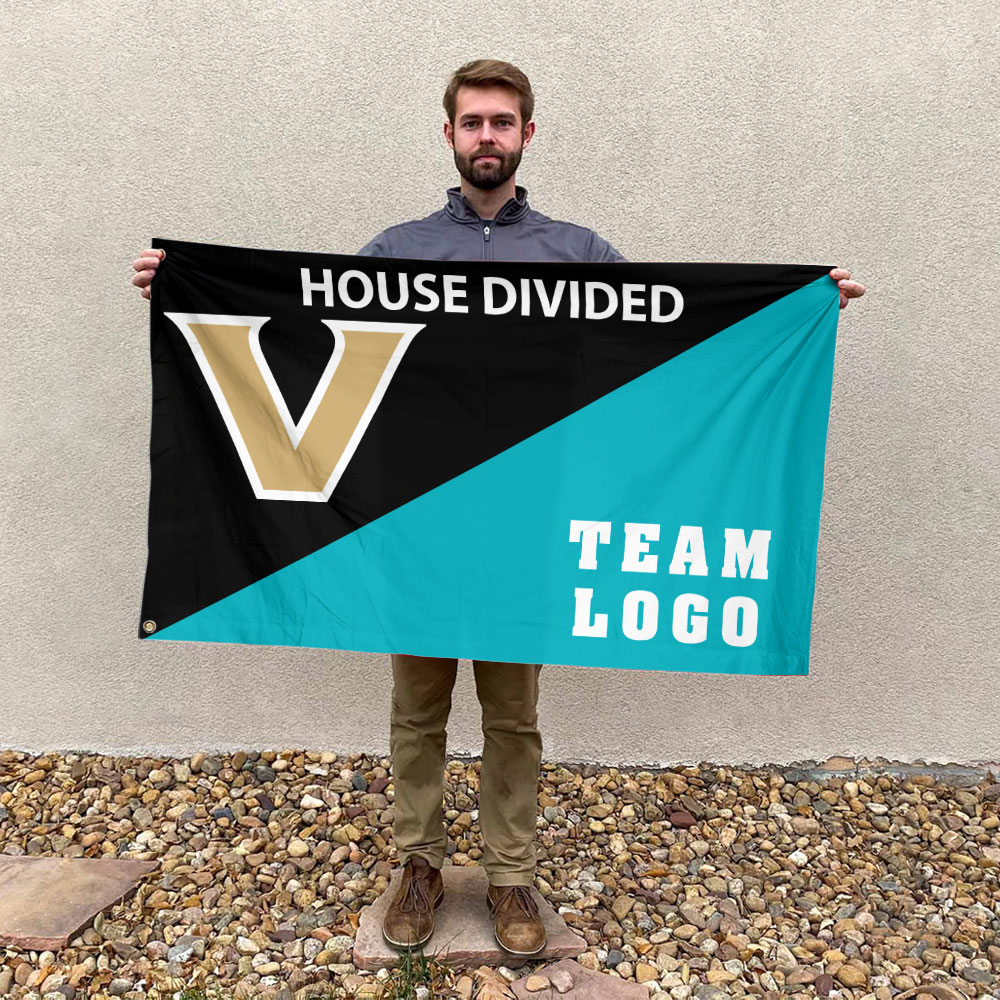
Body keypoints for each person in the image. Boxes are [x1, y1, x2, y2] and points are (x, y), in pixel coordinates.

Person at [129, 59, 866, 960]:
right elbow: (300, 336)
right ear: (449, 134)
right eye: (473, 121)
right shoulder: (397, 251)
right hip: (415, 524)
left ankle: (512, 871)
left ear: (527, 135)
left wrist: (797, 308)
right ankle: (419, 865)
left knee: (512, 713)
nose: (488, 136)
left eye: (503, 122)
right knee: (418, 709)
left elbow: (670, 340)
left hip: (530, 527)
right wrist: (184, 289)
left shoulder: (579, 255)